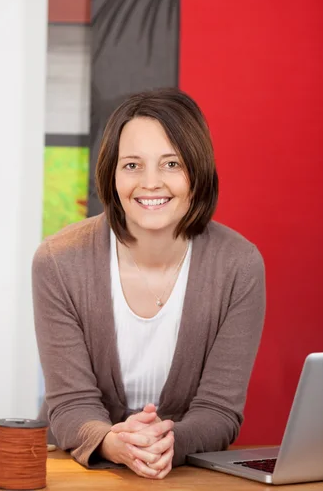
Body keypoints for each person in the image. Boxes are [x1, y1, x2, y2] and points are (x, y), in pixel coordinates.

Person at [32, 88, 266, 480]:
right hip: (77, 474)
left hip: (181, 476)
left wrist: (169, 442)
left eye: (171, 163)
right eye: (132, 165)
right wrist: (112, 442)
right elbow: (71, 404)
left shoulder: (239, 266)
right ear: (112, 173)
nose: (151, 182)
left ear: (197, 171)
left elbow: (219, 411)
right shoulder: (58, 261)